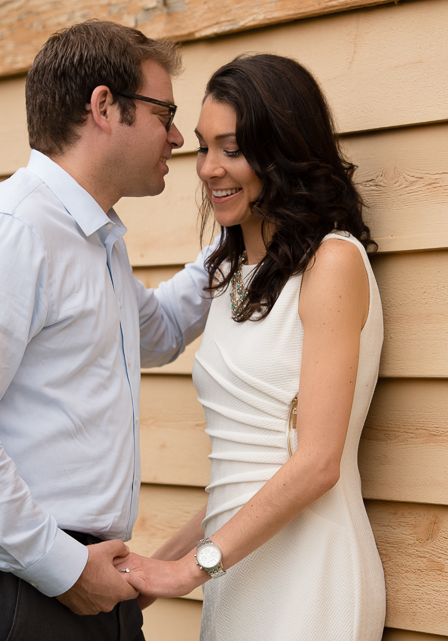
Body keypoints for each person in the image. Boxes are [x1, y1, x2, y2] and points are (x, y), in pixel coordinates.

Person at [0, 20, 213, 640]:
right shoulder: (11, 229)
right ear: (104, 107)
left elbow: (162, 329)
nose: (176, 136)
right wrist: (65, 569)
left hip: (72, 574)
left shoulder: (94, 240)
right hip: (10, 576)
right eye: (164, 112)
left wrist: (241, 234)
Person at [113, 54, 387, 640]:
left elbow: (315, 465)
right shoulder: (231, 274)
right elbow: (244, 477)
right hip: (236, 568)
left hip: (311, 570)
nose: (210, 168)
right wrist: (157, 568)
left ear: (281, 152)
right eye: (203, 148)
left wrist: (190, 569)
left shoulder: (332, 263)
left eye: (232, 149)